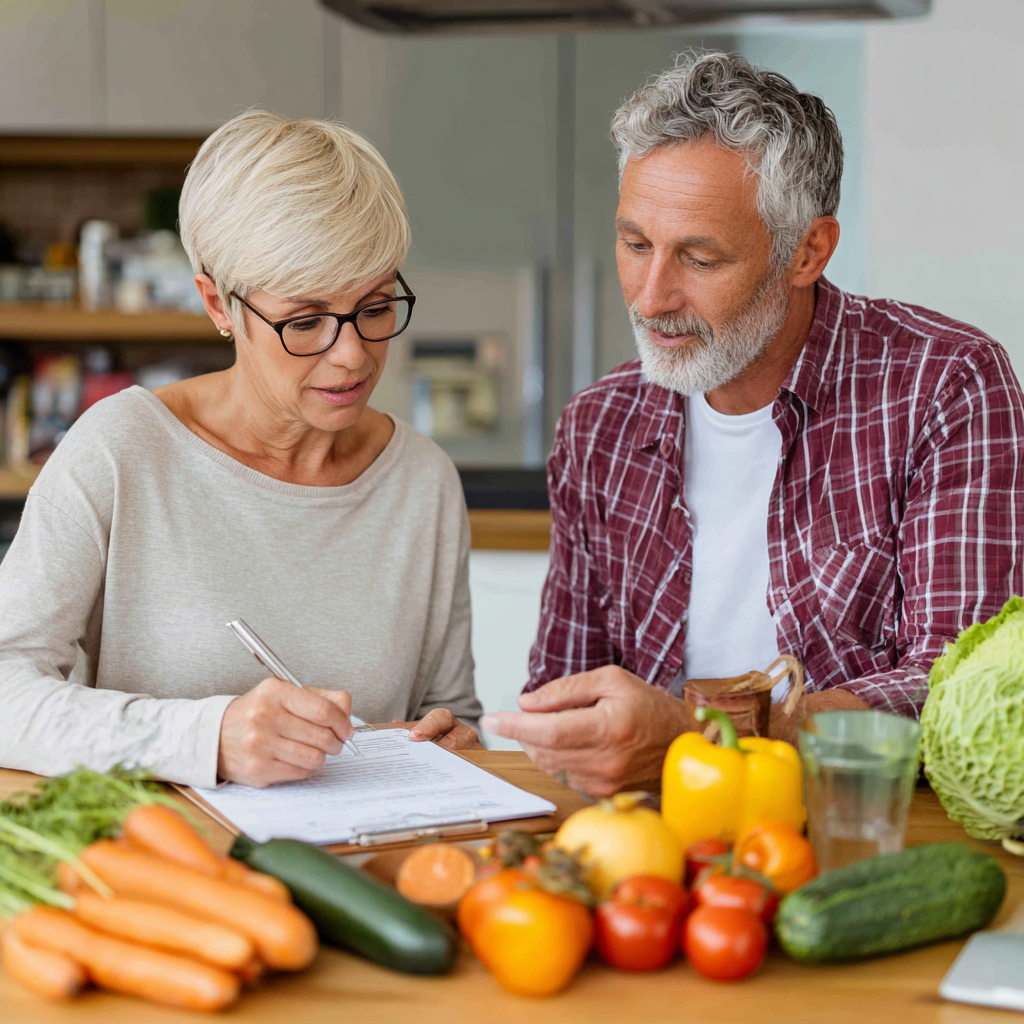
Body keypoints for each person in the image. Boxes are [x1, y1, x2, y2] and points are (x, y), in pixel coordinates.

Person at [482, 52, 1024, 796]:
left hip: (859, 829)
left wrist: (705, 734)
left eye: (699, 258)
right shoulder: (598, 425)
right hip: (654, 840)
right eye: (635, 244)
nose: (650, 298)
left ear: (808, 251)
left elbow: (959, 690)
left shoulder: (946, 385)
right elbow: (564, 690)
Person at [0, 111, 481, 790]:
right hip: (157, 852)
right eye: (306, 321)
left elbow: (452, 713)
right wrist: (206, 738)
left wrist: (455, 740)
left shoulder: (422, 479)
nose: (352, 355)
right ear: (218, 305)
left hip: (366, 852)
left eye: (375, 308)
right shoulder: (120, 450)